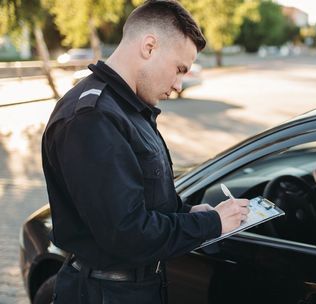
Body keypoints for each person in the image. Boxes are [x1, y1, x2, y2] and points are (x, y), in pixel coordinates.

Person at [41, 1, 249, 303]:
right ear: (149, 46)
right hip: (104, 293)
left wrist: (186, 212)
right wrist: (211, 224)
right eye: (179, 69)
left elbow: (141, 199)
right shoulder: (93, 117)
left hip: (133, 288)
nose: (179, 85)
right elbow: (127, 234)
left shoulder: (129, 108)